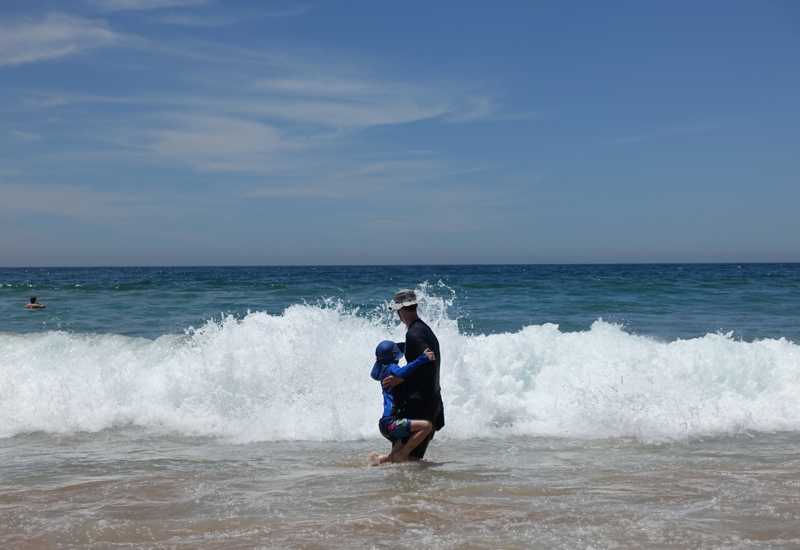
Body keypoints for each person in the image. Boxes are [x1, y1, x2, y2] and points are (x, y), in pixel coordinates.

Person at [383, 289, 444, 461]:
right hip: (430, 398)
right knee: (406, 456)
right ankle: (379, 462)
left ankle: (383, 468)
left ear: (399, 310)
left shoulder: (414, 333)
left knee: (410, 458)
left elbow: (428, 363)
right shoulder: (423, 328)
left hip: (420, 402)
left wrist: (399, 378)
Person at [369, 340, 436, 465]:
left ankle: (379, 459)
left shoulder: (385, 372)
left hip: (385, 424)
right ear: (394, 356)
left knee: (395, 457)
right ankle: (402, 455)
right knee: (426, 426)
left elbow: (403, 374)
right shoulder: (391, 368)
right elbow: (402, 372)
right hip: (392, 423)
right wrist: (423, 359)